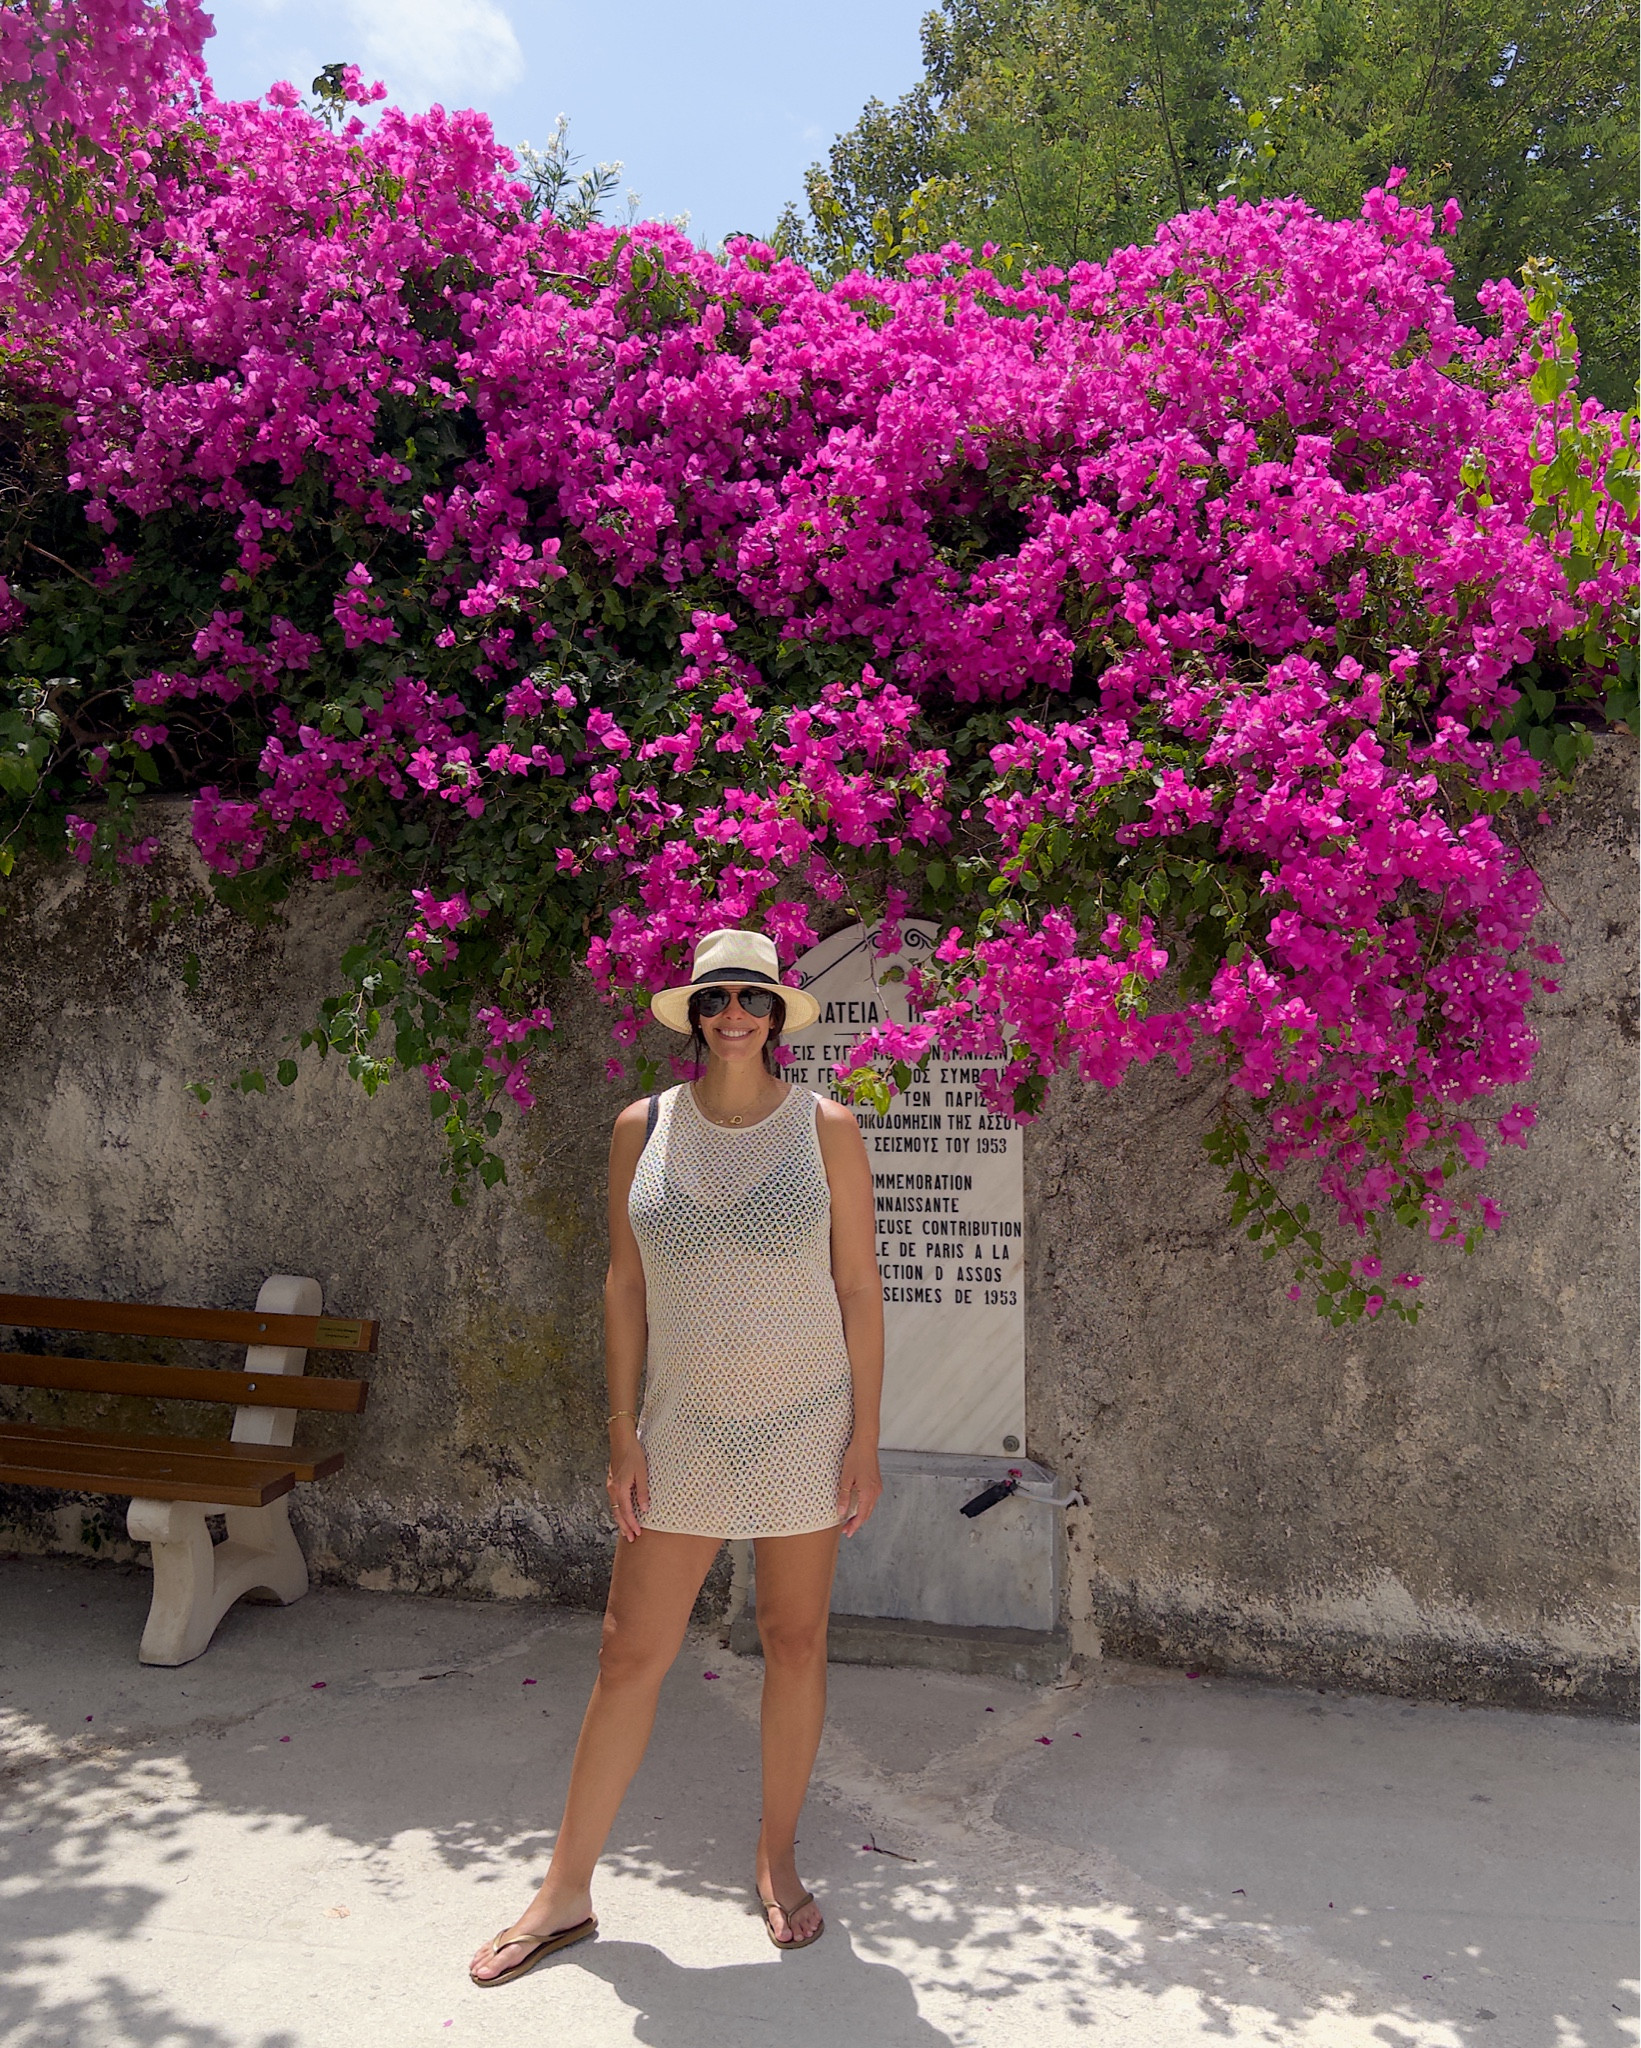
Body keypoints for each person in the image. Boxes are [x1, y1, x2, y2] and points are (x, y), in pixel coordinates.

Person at [470, 928, 885, 1985]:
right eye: (716, 997)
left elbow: (858, 1291)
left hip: (802, 1418)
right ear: (694, 1013)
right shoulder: (639, 1125)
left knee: (794, 1642)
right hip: (684, 1425)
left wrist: (863, 1437)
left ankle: (776, 1859)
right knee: (627, 1652)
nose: (733, 1013)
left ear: (778, 1012)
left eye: (752, 995)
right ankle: (563, 1892)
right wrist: (622, 1428)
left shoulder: (826, 1127)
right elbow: (623, 1283)